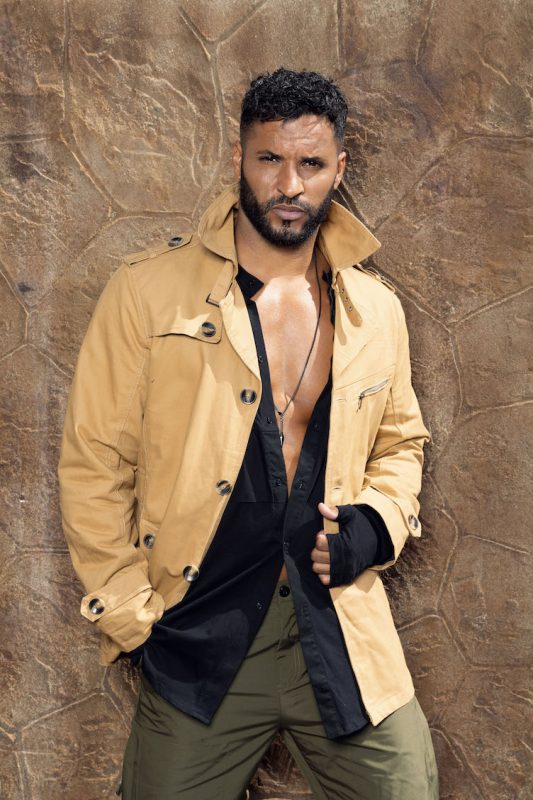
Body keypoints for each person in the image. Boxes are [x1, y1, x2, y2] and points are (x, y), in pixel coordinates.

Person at [58, 68, 439, 800]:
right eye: (270, 159)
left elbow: (400, 443)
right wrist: (135, 617)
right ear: (239, 158)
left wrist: (376, 524)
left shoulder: (375, 310)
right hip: (199, 631)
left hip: (341, 629)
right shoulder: (146, 292)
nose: (289, 185)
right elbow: (94, 462)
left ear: (339, 170)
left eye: (310, 164)